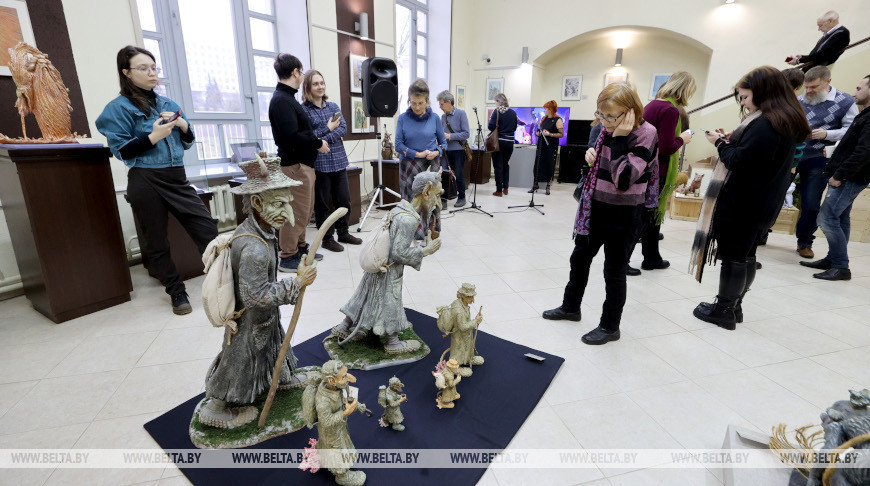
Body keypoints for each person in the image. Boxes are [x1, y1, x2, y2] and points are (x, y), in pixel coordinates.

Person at [96, 46, 218, 316]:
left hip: (177, 176)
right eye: (144, 68)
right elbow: (121, 150)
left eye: (154, 68)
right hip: (145, 178)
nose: (152, 73)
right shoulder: (117, 109)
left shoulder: (168, 104)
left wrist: (184, 126)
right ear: (126, 73)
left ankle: (224, 281)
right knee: (156, 242)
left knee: (207, 229)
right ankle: (176, 291)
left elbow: (187, 143)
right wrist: (153, 137)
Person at [200, 157, 318, 429]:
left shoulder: (263, 232)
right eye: (278, 204)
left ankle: (283, 377)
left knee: (273, 344)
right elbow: (255, 297)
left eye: (287, 201)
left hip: (264, 318)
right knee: (240, 359)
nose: (288, 211)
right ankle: (216, 406)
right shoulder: (254, 248)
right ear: (256, 204)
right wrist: (296, 284)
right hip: (250, 320)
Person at [694, 66, 811, 330]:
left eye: (745, 97)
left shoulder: (765, 123)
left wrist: (720, 143)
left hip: (745, 202)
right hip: (762, 201)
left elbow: (738, 160)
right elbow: (754, 155)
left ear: (763, 93)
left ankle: (723, 310)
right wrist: (730, 141)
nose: (744, 104)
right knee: (745, 255)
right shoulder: (784, 119)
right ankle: (734, 305)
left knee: (734, 256)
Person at [542, 82, 658, 345]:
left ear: (630, 112)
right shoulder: (605, 129)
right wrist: (592, 154)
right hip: (595, 207)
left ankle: (610, 326)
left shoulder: (645, 134)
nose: (603, 121)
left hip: (625, 214)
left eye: (609, 116)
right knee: (579, 259)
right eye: (600, 114)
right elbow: (603, 165)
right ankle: (571, 307)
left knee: (614, 271)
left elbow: (625, 178)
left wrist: (617, 141)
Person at [332, 171, 443, 354]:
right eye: (437, 195)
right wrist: (426, 251)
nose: (437, 202)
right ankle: (392, 342)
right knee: (391, 301)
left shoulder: (400, 208)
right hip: (389, 270)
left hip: (380, 265)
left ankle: (345, 326)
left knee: (366, 294)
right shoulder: (408, 219)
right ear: (426, 191)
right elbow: (399, 253)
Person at [800, 75, 870, 281]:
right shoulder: (864, 114)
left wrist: (840, 174)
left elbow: (864, 152)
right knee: (840, 218)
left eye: (859, 88)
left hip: (849, 176)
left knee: (827, 218)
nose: (854, 92)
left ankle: (841, 265)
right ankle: (833, 259)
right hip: (847, 174)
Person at [633, 71, 697, 274]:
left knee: (650, 217)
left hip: (645, 168)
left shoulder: (651, 105)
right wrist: (684, 139)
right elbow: (667, 147)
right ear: (684, 90)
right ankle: (623, 260)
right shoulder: (670, 110)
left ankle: (652, 258)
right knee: (645, 218)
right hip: (657, 171)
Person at [269, 53, 327, 273]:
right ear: (295, 72)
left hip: (302, 165)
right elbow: (291, 136)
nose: (302, 75)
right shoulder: (281, 100)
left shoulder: (288, 98)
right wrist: (318, 142)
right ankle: (288, 255)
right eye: (302, 72)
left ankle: (301, 247)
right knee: (295, 211)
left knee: (304, 210)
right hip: (295, 166)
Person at [794, 66, 858, 259]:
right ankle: (762, 234)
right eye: (806, 87)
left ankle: (805, 242)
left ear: (828, 81)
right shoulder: (799, 100)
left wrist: (827, 134)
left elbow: (853, 129)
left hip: (819, 158)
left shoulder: (846, 101)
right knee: (775, 196)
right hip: (793, 155)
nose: (809, 91)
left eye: (814, 87)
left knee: (811, 203)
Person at [300, 70, 362, 253]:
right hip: (320, 165)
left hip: (339, 161)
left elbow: (343, 128)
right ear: (308, 87)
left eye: (322, 83)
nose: (320, 86)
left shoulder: (333, 106)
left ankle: (343, 233)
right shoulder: (304, 110)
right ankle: (326, 238)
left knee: (344, 201)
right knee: (323, 205)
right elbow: (308, 137)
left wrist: (325, 138)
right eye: (315, 84)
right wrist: (326, 128)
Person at [303, 360, 367, 486]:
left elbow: (344, 397)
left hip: (339, 428)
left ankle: (325, 457)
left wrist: (356, 405)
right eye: (344, 376)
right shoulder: (323, 401)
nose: (348, 378)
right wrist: (345, 412)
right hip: (331, 433)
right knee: (337, 451)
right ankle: (342, 475)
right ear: (332, 380)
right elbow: (326, 422)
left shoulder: (335, 387)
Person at [395, 79, 446, 234]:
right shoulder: (403, 118)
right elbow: (398, 145)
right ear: (409, 100)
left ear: (427, 101)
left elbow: (444, 144)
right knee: (411, 201)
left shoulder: (435, 118)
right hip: (408, 165)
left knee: (430, 200)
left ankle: (431, 231)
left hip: (430, 165)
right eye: (413, 103)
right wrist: (416, 154)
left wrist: (436, 152)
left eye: (421, 103)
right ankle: (412, 233)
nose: (417, 107)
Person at [436, 283, 484, 377]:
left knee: (467, 347)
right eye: (470, 297)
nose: (473, 300)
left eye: (473, 297)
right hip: (459, 335)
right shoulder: (459, 311)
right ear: (463, 296)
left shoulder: (462, 303)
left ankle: (468, 359)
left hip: (466, 334)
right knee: (459, 350)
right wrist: (475, 321)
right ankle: (454, 366)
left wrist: (474, 321)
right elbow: (462, 327)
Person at [437, 90, 470, 207]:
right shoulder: (442, 116)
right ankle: (444, 200)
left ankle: (462, 197)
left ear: (449, 102)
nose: (440, 106)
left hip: (458, 150)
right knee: (445, 175)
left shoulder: (461, 114)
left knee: (459, 174)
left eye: (441, 104)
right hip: (445, 150)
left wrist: (450, 136)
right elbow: (441, 133)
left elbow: (466, 134)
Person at [530, 100, 563, 195]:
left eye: (546, 108)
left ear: (550, 109)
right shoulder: (543, 119)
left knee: (549, 165)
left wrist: (550, 134)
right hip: (541, 146)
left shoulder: (558, 120)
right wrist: (538, 133)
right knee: (538, 164)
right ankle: (535, 184)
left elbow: (561, 134)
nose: (544, 110)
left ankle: (548, 186)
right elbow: (538, 131)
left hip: (550, 147)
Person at [488, 93, 518, 196]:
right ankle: (506, 188)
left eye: (495, 102)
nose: (495, 104)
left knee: (498, 166)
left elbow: (490, 126)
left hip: (498, 142)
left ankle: (499, 190)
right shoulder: (513, 113)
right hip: (510, 143)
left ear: (498, 101)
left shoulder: (496, 112)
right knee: (505, 164)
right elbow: (514, 128)